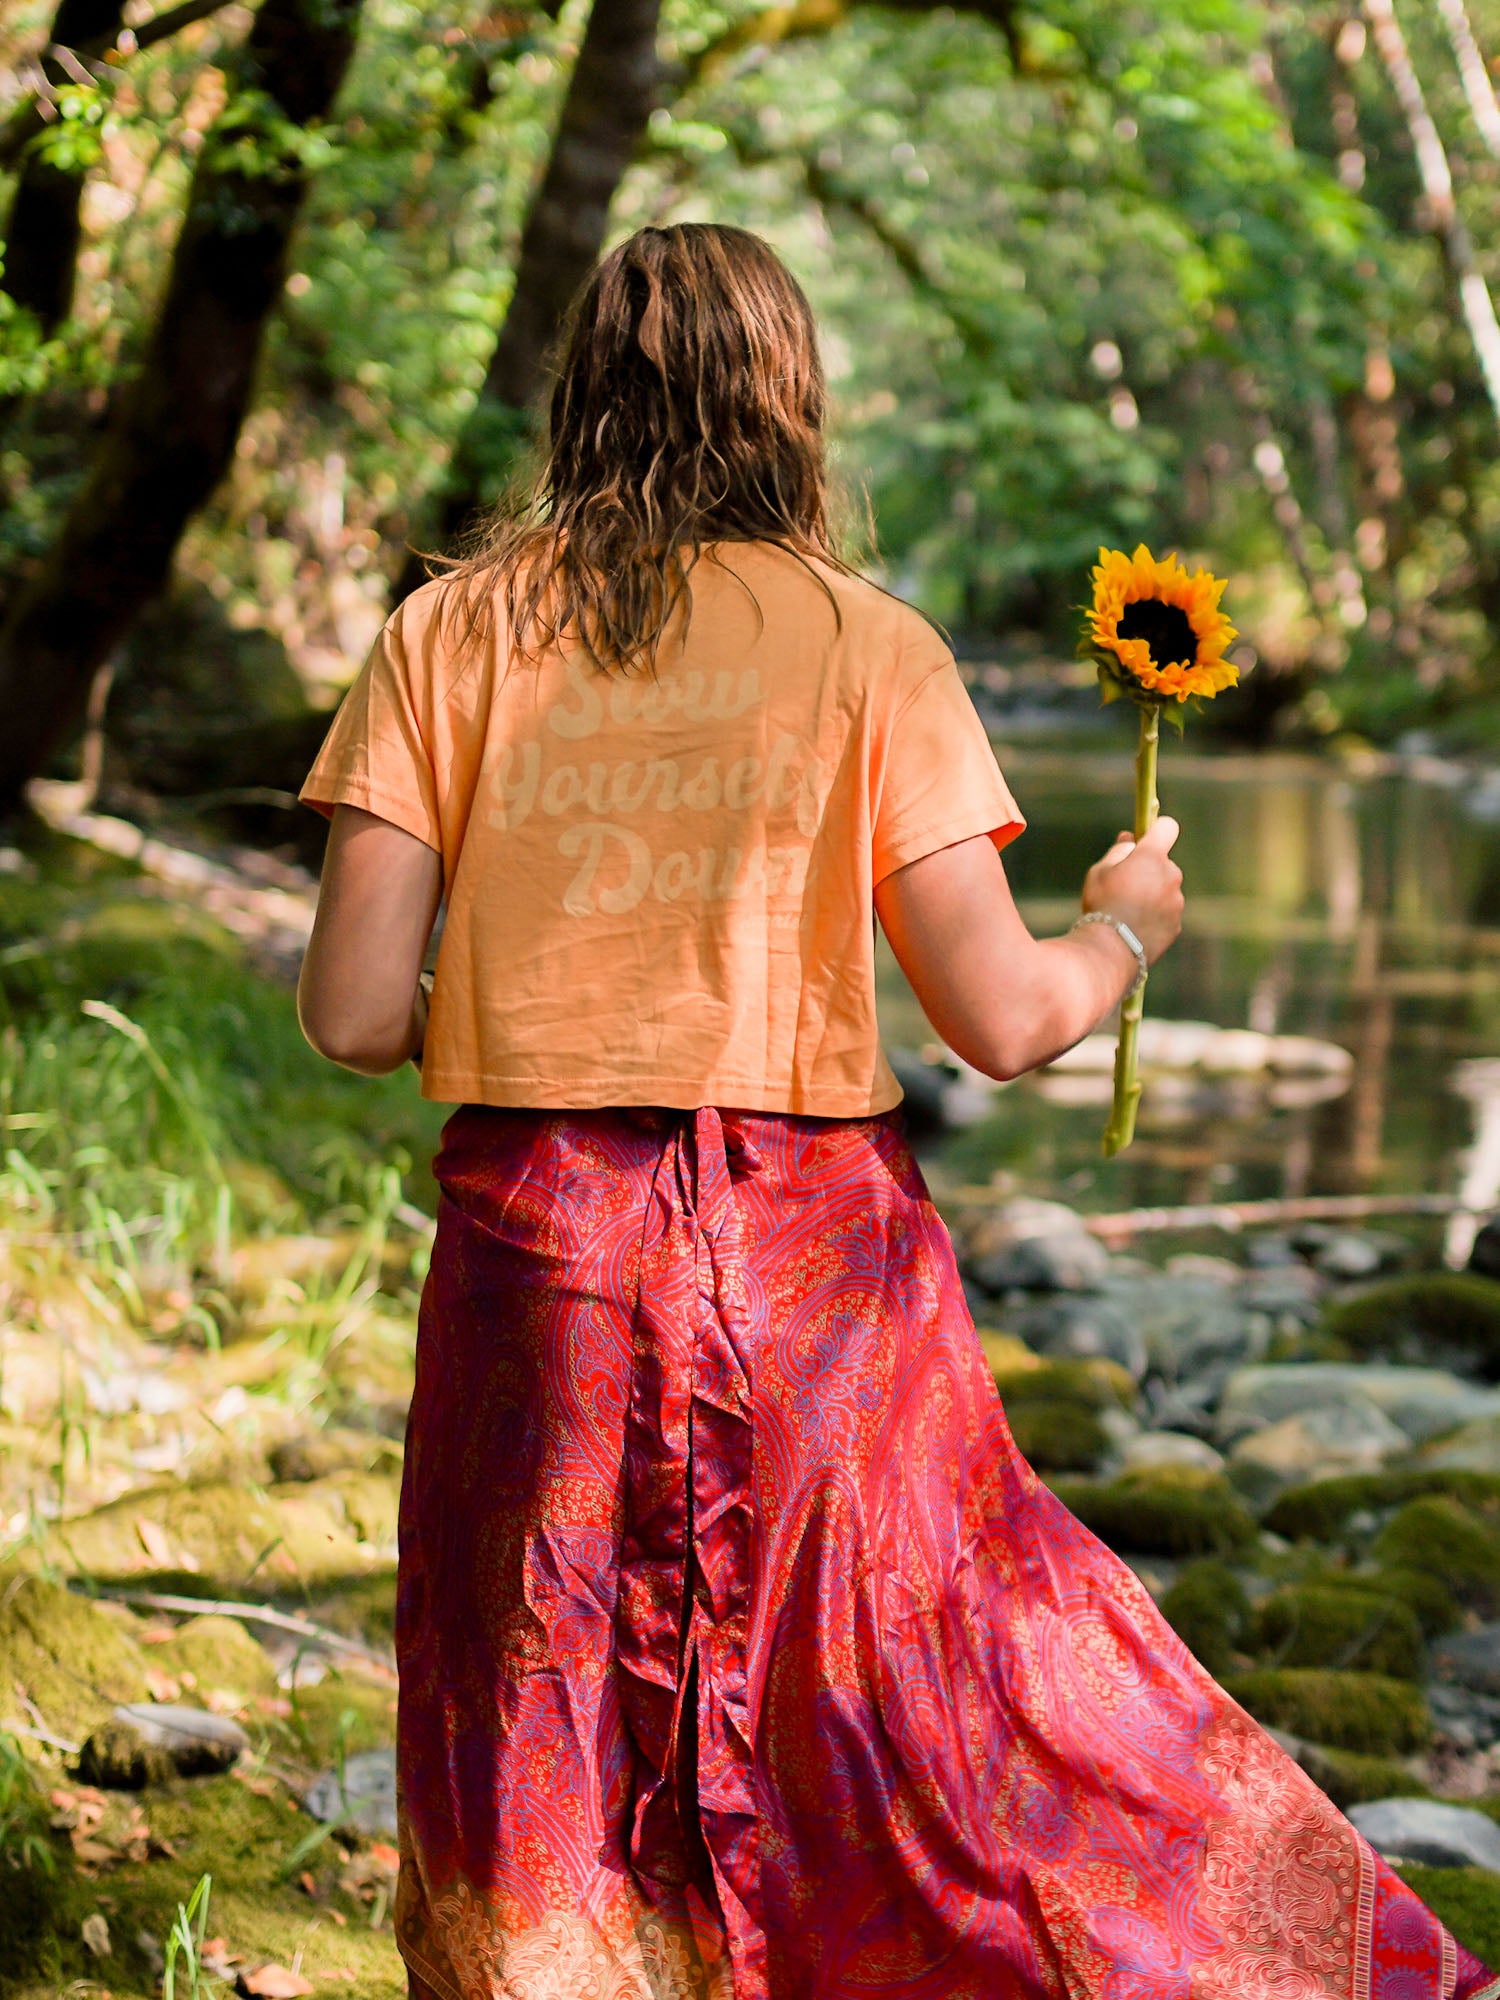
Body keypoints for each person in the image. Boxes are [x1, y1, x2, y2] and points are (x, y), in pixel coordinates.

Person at [295, 223, 1497, 2000]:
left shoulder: (444, 634)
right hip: (814, 1275)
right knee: (932, 1690)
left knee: (538, 1709)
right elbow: (1005, 1024)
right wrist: (1123, 930)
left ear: (580, 403)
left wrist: (515, 996)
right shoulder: (872, 647)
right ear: (790, 406)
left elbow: (344, 1014)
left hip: (537, 1251)